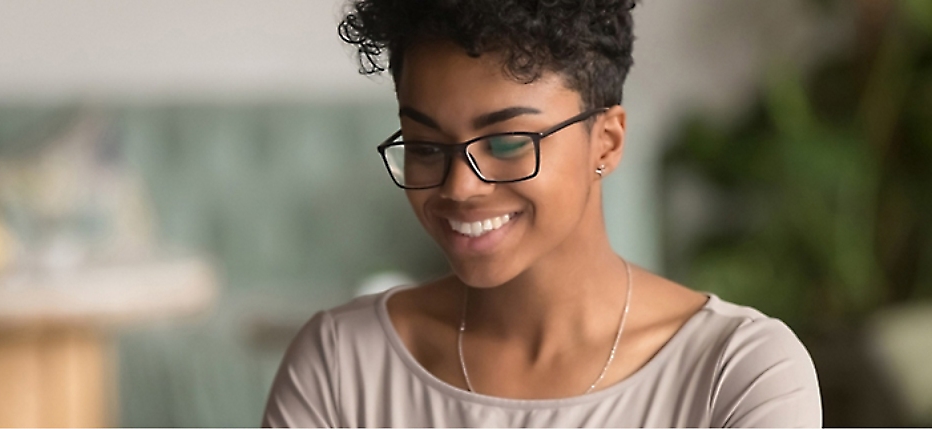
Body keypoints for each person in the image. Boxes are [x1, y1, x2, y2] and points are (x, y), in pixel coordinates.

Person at [262, 0, 822, 427]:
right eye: (427, 146)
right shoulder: (340, 367)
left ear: (605, 141)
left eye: (506, 143)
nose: (460, 188)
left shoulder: (740, 373)